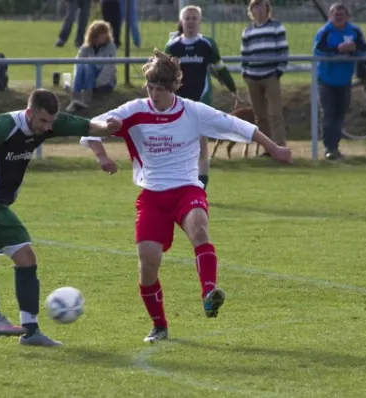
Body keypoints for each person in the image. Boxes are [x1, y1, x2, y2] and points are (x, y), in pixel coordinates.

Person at [79, 50, 292, 343]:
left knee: (199, 228)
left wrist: (275, 148)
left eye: (159, 89)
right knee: (147, 265)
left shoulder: (193, 111)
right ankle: (160, 326)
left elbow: (239, 126)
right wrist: (102, 154)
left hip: (187, 188)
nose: (152, 94)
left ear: (172, 88)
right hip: (152, 196)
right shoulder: (134, 110)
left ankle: (209, 292)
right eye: (149, 87)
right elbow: (90, 128)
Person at [0, 89, 120, 347]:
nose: (47, 127)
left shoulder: (49, 124)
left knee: (26, 257)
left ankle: (30, 331)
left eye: (51, 122)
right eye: (43, 121)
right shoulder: (1, 126)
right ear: (29, 113)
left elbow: (88, 126)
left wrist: (109, 126)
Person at [164, 5, 241, 190]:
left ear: (200, 21)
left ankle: (201, 187)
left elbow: (220, 68)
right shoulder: (173, 47)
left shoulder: (207, 44)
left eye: (194, 18)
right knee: (178, 144)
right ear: (182, 22)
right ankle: (179, 183)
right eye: (187, 18)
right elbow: (163, 74)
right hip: (178, 103)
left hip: (201, 102)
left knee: (201, 146)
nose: (191, 21)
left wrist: (233, 89)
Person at [313, 3, 366, 160]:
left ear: (347, 17)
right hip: (326, 80)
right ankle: (329, 148)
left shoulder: (355, 31)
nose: (338, 18)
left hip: (345, 80)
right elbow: (318, 51)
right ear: (330, 16)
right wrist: (338, 49)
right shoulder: (324, 32)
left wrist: (353, 49)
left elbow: (364, 49)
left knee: (340, 115)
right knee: (329, 114)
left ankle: (335, 146)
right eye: (335, 15)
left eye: (341, 15)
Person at [241, 0, 289, 154]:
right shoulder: (247, 31)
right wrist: (245, 73)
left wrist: (278, 71)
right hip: (252, 77)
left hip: (270, 76)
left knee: (275, 113)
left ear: (268, 9)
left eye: (262, 6)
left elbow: (283, 51)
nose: (259, 9)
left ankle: (280, 146)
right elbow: (245, 55)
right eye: (256, 6)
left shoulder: (276, 26)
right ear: (251, 10)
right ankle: (267, 149)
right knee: (259, 115)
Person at [66, 20, 117, 113]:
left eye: (105, 33)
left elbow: (109, 68)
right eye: (102, 33)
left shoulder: (110, 46)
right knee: (81, 65)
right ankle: (75, 97)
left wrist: (96, 83)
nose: (104, 36)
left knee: (89, 65)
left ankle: (86, 98)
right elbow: (77, 65)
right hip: (87, 81)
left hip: (104, 82)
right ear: (94, 34)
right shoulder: (85, 47)